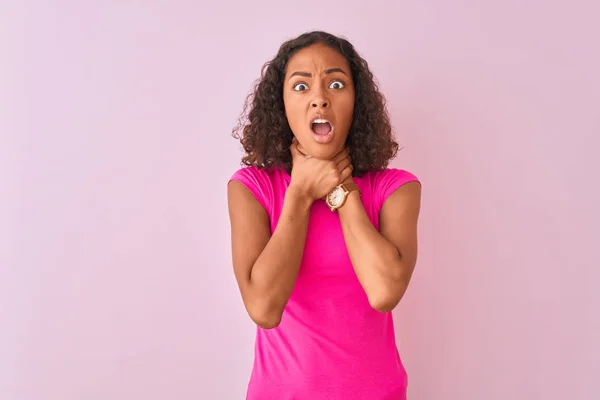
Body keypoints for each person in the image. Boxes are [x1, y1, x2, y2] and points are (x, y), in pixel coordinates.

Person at [227, 31, 422, 400]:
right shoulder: (252, 188)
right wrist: (300, 193)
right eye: (301, 87)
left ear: (356, 102)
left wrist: (341, 188)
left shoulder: (396, 189)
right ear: (281, 105)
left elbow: (383, 292)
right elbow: (264, 308)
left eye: (336, 84)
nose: (319, 99)